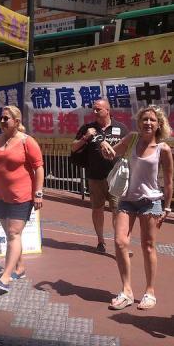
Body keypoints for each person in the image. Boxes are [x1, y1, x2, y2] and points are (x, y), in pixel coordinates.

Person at [101, 105, 173, 310]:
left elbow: (168, 182)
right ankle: (127, 291)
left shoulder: (163, 149)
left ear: (159, 124)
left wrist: (167, 207)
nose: (148, 123)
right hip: (127, 199)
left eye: (152, 120)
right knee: (120, 241)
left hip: (151, 201)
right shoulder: (132, 139)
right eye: (144, 119)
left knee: (148, 246)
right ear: (139, 123)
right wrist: (105, 146)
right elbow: (111, 155)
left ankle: (150, 292)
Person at [0, 105, 44, 293]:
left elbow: (39, 168)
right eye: (1, 118)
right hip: (1, 195)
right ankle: (19, 268)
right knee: (10, 234)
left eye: (6, 118)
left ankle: (5, 278)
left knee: (13, 234)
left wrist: (38, 193)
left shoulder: (27, 142)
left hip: (22, 196)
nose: (2, 121)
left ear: (17, 121)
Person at [71, 99, 128, 253]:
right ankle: (101, 241)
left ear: (107, 110)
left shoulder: (121, 128)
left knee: (118, 211)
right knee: (98, 209)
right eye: (93, 109)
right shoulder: (87, 128)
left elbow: (128, 149)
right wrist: (85, 137)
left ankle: (119, 242)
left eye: (98, 109)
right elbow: (74, 147)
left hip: (116, 178)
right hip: (95, 177)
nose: (94, 112)